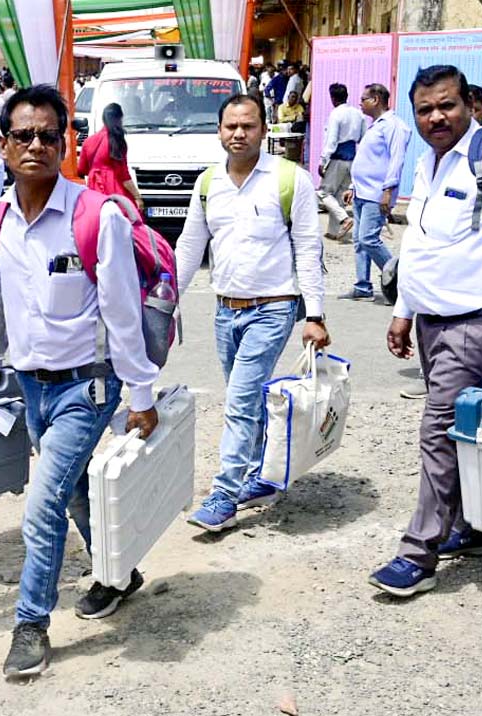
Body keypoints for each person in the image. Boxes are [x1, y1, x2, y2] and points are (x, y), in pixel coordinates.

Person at [0, 84, 159, 679]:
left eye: (49, 135)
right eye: (24, 135)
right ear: (3, 144)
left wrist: (140, 396)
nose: (37, 146)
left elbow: (123, 315)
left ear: (67, 142)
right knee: (71, 490)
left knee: (42, 505)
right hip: (30, 387)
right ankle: (118, 569)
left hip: (86, 387)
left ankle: (30, 623)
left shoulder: (98, 217)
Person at [369, 65, 482, 597]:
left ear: (470, 103)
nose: (436, 117)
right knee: (466, 431)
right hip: (434, 322)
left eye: (446, 105)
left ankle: (418, 553)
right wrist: (404, 308)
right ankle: (472, 527)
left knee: (438, 428)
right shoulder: (428, 163)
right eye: (424, 109)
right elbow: (422, 245)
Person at [175, 93, 330, 531]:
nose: (238, 133)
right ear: (219, 131)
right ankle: (262, 473)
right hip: (226, 310)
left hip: (274, 307)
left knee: (241, 398)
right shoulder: (207, 184)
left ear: (264, 130)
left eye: (248, 126)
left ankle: (224, 495)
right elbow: (190, 246)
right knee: (248, 396)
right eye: (230, 126)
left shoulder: (289, 179)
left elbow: (308, 246)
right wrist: (168, 300)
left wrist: (314, 314)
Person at [341, 83, 410, 302]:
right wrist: (353, 186)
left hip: (376, 192)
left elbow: (396, 160)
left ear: (376, 100)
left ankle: (398, 281)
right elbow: (367, 160)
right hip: (362, 191)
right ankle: (363, 285)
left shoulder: (393, 126)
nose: (360, 103)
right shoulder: (375, 126)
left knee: (369, 238)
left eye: (363, 99)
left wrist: (388, 190)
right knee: (359, 241)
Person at [318, 82, 363, 243]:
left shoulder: (336, 114)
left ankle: (344, 219)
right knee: (339, 195)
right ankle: (334, 231)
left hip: (337, 157)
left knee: (323, 193)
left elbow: (331, 141)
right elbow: (362, 138)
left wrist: (323, 161)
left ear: (333, 98)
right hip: (352, 158)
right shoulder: (358, 114)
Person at [77, 102, 143, 211]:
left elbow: (82, 169)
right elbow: (124, 175)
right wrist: (137, 197)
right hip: (115, 190)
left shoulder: (88, 141)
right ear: (119, 119)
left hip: (94, 190)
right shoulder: (116, 141)